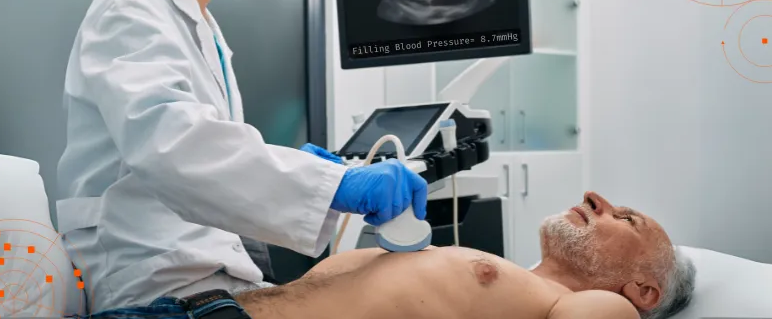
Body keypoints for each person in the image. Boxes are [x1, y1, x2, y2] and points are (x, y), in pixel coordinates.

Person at [55, 0, 428, 313]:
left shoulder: (198, 25)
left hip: (203, 275)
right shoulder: (128, 12)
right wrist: (332, 185)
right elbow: (180, 150)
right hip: (154, 282)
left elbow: (205, 156)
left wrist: (302, 173)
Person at [80, 191, 696, 319]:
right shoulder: (514, 282)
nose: (596, 198)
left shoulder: (600, 309)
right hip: (201, 309)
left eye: (626, 218)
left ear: (641, 290)